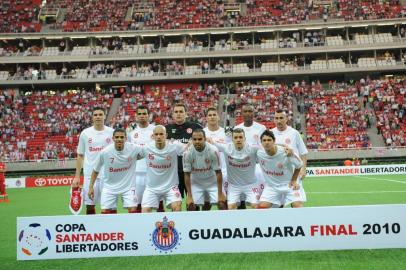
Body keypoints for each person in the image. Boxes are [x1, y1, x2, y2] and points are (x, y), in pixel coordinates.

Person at [88, 128, 143, 214]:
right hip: (110, 187)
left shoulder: (133, 148)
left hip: (128, 187)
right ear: (113, 138)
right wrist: (91, 187)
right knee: (105, 211)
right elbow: (95, 170)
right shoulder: (105, 152)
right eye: (117, 137)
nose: (119, 139)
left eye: (122, 137)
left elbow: (147, 151)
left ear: (126, 138)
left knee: (133, 209)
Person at [72, 107, 114, 214]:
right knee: (90, 206)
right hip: (89, 175)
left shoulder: (112, 133)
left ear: (104, 116)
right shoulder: (85, 133)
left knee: (109, 207)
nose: (98, 117)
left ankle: (110, 229)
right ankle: (93, 228)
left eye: (100, 114)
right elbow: (80, 155)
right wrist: (77, 176)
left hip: (108, 175)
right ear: (92, 117)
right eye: (95, 115)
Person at [141, 125, 189, 213]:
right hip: (152, 188)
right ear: (153, 136)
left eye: (161, 134)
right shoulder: (146, 148)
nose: (159, 136)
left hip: (170, 187)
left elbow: (188, 147)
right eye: (156, 134)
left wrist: (194, 141)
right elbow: (133, 155)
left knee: (177, 207)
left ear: (166, 135)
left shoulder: (174, 146)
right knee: (145, 210)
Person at [211, 128, 259, 210]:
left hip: (251, 185)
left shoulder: (253, 149)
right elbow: (211, 142)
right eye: (236, 138)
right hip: (234, 186)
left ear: (245, 138)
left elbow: (269, 147)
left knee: (256, 206)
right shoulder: (227, 148)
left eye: (240, 137)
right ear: (232, 139)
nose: (238, 140)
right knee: (230, 208)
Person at [257, 130, 304, 209]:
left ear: (274, 141)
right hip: (272, 187)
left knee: (297, 205)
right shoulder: (259, 152)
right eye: (264, 140)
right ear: (261, 143)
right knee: (262, 206)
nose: (266, 142)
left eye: (269, 140)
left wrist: (294, 180)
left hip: (288, 184)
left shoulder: (286, 152)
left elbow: (299, 165)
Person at [271, 109, 308, 207]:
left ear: (286, 119)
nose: (279, 121)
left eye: (281, 118)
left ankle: (299, 222)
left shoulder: (294, 133)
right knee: (277, 206)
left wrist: (303, 169)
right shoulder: (270, 134)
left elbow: (303, 153)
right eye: (276, 118)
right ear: (274, 120)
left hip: (294, 174)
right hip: (277, 175)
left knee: (297, 204)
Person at [183, 129, 226, 211]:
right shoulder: (187, 153)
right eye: (194, 139)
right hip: (196, 183)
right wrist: (189, 196)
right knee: (191, 206)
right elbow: (187, 174)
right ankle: (193, 224)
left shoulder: (213, 150)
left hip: (212, 182)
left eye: (200, 139)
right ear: (192, 140)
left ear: (205, 139)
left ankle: (223, 223)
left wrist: (220, 194)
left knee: (222, 204)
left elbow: (218, 172)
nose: (197, 141)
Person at [165, 103, 202, 198]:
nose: (178, 114)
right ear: (172, 114)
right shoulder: (166, 130)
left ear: (186, 114)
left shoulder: (196, 128)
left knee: (194, 203)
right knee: (176, 203)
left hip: (193, 172)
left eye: (181, 111)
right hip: (174, 173)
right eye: (176, 112)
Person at [235, 104, 266, 208]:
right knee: (241, 197)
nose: (248, 114)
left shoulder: (261, 128)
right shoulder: (237, 128)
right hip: (242, 167)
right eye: (245, 111)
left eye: (250, 111)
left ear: (253, 113)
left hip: (257, 166)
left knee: (259, 197)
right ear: (242, 113)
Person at [129, 105, 155, 213]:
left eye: (144, 113)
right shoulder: (131, 133)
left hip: (154, 171)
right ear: (136, 116)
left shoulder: (155, 130)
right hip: (137, 172)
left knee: (157, 203)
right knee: (137, 204)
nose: (142, 116)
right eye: (139, 114)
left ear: (149, 116)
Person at [203, 107, 229, 198]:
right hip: (207, 172)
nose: (212, 117)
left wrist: (214, 143)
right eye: (210, 115)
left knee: (226, 201)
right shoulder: (202, 133)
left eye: (214, 115)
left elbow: (230, 149)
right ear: (206, 118)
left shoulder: (226, 132)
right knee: (207, 203)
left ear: (218, 117)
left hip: (225, 171)